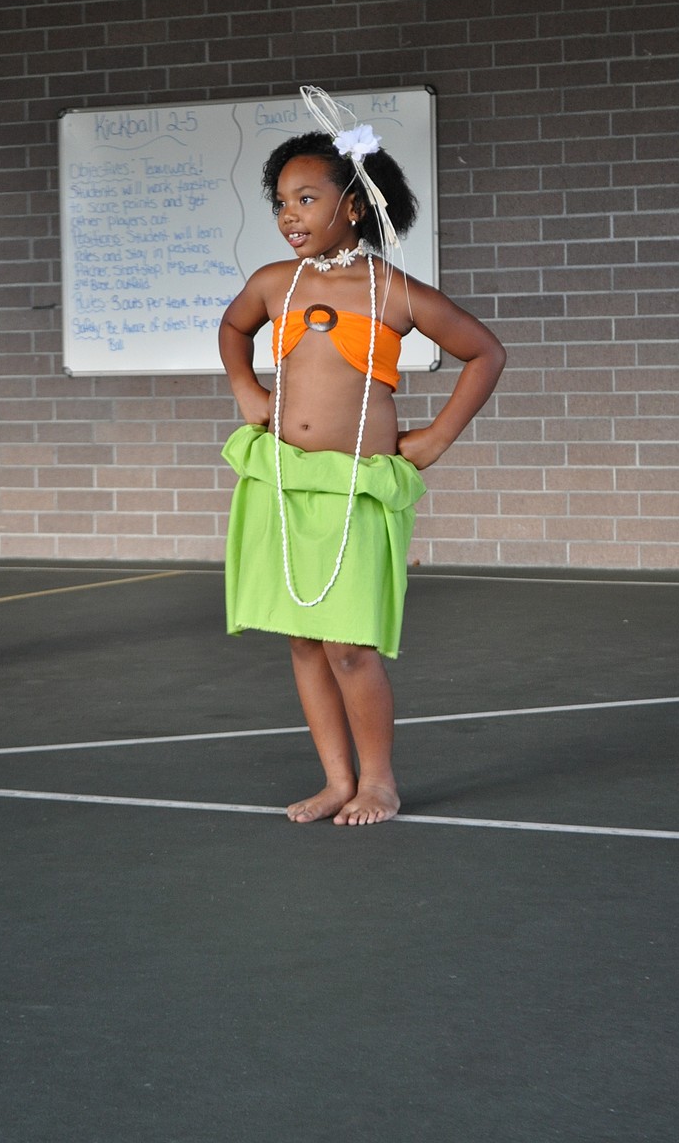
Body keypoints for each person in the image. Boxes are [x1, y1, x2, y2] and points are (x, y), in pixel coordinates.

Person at [218, 87, 506, 826]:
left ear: (352, 205)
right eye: (280, 202)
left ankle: (379, 781)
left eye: (305, 199)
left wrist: (436, 438)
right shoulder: (274, 284)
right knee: (304, 641)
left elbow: (484, 352)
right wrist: (247, 387)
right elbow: (233, 328)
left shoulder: (391, 291)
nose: (288, 215)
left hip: (355, 490)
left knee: (349, 646)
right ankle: (336, 780)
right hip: (284, 479)